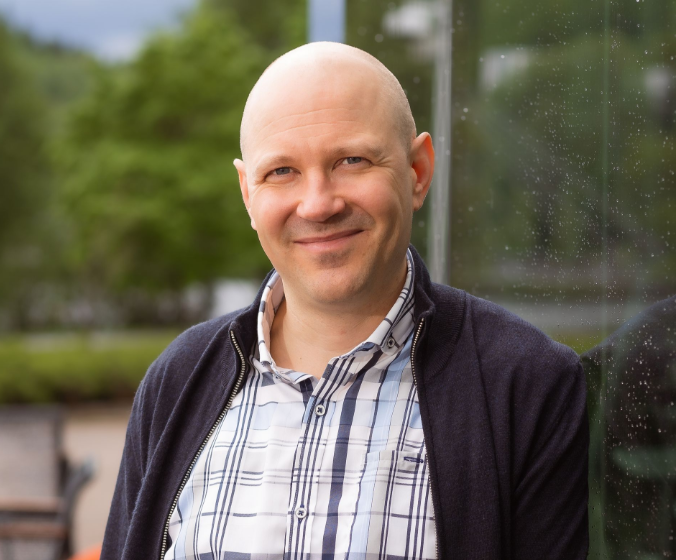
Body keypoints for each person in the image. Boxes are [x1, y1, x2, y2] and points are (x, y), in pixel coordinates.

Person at [101, 42, 588, 560]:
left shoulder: (527, 387)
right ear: (248, 193)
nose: (318, 204)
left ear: (418, 171)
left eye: (352, 160)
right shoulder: (177, 380)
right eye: (281, 171)